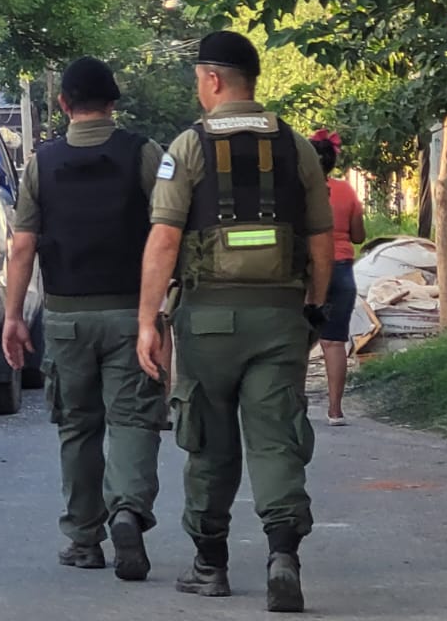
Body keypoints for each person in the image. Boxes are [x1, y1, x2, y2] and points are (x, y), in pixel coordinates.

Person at [136, 30, 334, 613]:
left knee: (209, 442)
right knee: (276, 439)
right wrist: (312, 307)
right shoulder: (295, 146)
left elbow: (164, 241)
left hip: (209, 320)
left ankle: (210, 564)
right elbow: (322, 240)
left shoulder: (189, 147)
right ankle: (282, 555)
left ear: (214, 79)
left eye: (198, 77)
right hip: (279, 317)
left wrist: (148, 320)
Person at [3, 56, 168, 582]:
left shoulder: (41, 164)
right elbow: (169, 230)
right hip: (131, 314)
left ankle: (83, 537)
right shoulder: (144, 153)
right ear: (114, 104)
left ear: (63, 103)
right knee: (134, 419)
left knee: (77, 427)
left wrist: (12, 317)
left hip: (66, 319)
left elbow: (23, 244)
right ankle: (127, 511)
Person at [308, 129, 365, 426]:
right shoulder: (347, 191)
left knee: (296, 340)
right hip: (342, 270)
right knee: (334, 342)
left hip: (309, 272)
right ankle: (335, 411)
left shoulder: (299, 190)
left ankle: (293, 405)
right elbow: (359, 235)